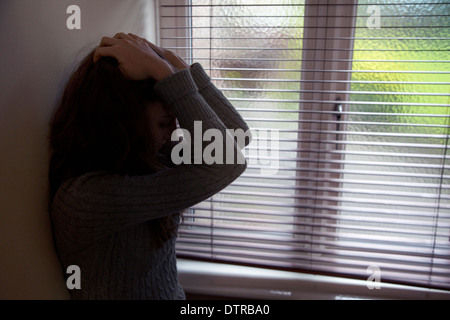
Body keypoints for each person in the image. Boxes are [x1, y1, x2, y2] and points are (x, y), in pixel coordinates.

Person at [48, 32, 250, 300]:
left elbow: (237, 136)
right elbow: (228, 162)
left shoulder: (147, 157)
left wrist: (175, 64)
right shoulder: (90, 197)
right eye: (165, 123)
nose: (172, 133)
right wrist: (164, 72)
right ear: (125, 123)